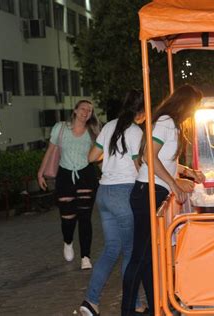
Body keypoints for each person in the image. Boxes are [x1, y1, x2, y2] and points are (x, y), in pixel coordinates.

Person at [121, 84, 205, 316]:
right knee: (140, 257)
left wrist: (188, 173)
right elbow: (149, 156)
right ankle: (127, 311)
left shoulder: (173, 125)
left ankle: (155, 307)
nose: (193, 112)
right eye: (194, 107)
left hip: (153, 191)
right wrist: (174, 183)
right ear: (185, 104)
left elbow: (166, 161)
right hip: (146, 191)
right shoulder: (167, 121)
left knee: (148, 256)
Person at [79, 91, 145, 316]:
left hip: (104, 192)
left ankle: (91, 301)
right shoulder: (136, 131)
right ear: (142, 112)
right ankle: (134, 304)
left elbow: (91, 157)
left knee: (111, 250)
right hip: (123, 193)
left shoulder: (109, 127)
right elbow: (139, 165)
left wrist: (109, 158)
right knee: (130, 252)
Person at [37, 100, 101, 270]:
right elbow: (50, 151)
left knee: (85, 218)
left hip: (86, 175)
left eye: (89, 110)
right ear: (75, 110)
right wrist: (40, 172)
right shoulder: (61, 128)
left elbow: (100, 154)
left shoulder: (93, 131)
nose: (86, 112)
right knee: (68, 218)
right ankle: (68, 241)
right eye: (83, 109)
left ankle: (85, 256)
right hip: (65, 175)